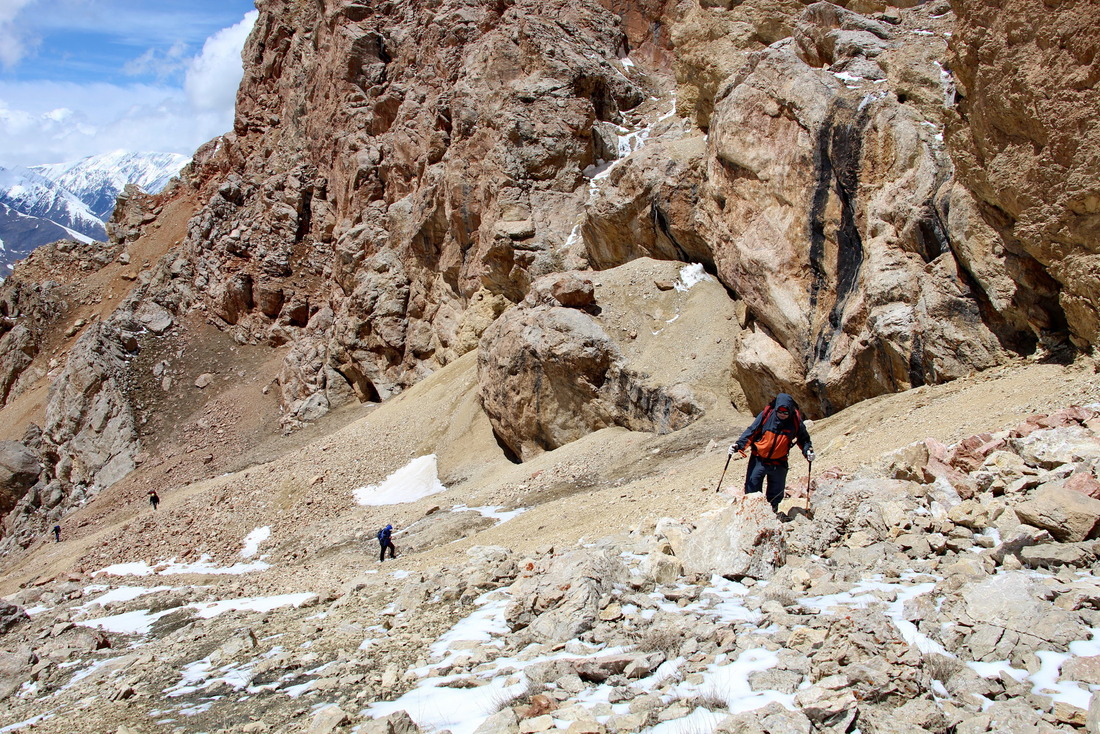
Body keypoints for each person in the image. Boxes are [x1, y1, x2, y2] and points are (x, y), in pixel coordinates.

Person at [729, 393, 815, 512]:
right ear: (776, 409)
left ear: (790, 411)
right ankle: (753, 513)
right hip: (759, 459)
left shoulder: (795, 420)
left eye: (786, 413)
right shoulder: (767, 415)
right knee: (752, 489)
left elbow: (804, 439)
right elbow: (751, 431)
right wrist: (739, 445)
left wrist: (808, 451)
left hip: (779, 462)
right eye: (780, 412)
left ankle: (773, 512)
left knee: (776, 492)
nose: (782, 415)